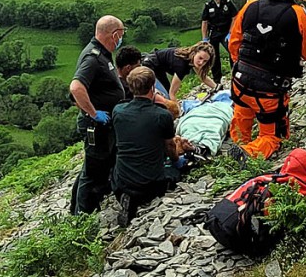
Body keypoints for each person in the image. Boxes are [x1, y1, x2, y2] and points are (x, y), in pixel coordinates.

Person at [228, 0, 306, 159]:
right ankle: (247, 153)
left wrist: (246, 63)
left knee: (241, 113)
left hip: (240, 83)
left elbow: (234, 44)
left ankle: (238, 145)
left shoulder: (249, 7)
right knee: (272, 136)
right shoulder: (298, 14)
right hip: (269, 91)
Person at [111, 66, 191, 226]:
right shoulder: (162, 116)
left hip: (121, 182)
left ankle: (127, 197)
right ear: (153, 87)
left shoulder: (118, 111)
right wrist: (177, 160)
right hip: (151, 184)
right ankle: (146, 194)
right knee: (175, 168)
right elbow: (169, 147)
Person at [69, 15, 125, 214]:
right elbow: (76, 88)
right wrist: (93, 113)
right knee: (93, 170)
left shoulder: (102, 53)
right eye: (121, 34)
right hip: (96, 125)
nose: (121, 39)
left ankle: (80, 207)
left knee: (94, 166)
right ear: (114, 34)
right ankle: (82, 216)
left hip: (103, 124)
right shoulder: (93, 57)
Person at [141, 40, 216, 99]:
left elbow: (203, 77)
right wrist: (179, 113)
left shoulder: (189, 57)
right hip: (149, 66)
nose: (201, 62)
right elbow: (172, 93)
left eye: (205, 61)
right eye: (200, 58)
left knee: (166, 94)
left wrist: (217, 88)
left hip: (158, 67)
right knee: (165, 96)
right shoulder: (181, 65)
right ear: (194, 53)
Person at [201, 0, 237, 85]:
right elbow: (204, 22)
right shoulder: (209, 6)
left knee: (232, 51)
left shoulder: (227, 3)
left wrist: (231, 32)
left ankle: (234, 75)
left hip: (226, 31)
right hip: (215, 32)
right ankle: (217, 80)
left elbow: (234, 17)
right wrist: (204, 37)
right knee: (213, 55)